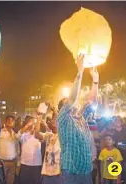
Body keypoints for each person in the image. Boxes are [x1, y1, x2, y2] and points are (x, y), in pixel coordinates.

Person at [57, 54, 99, 184]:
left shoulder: (81, 119)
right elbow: (72, 98)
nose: (74, 103)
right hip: (71, 171)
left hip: (85, 170)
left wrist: (95, 81)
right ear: (62, 108)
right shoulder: (63, 119)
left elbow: (92, 102)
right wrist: (80, 71)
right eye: (68, 102)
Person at [35, 106, 62, 184]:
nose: (52, 121)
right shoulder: (48, 135)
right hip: (46, 173)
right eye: (52, 119)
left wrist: (55, 111)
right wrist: (39, 119)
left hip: (58, 173)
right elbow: (37, 134)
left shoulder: (63, 136)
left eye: (54, 119)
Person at [18, 116, 42, 184]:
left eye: (33, 122)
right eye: (31, 122)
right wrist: (27, 125)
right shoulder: (24, 135)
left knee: (36, 182)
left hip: (36, 164)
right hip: (25, 164)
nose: (32, 124)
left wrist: (38, 122)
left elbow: (39, 135)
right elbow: (18, 135)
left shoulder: (38, 135)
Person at [0, 115, 20, 184]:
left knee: (10, 181)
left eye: (12, 120)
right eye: (8, 120)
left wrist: (18, 162)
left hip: (13, 162)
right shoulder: (0, 132)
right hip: (2, 162)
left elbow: (17, 148)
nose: (10, 122)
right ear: (5, 121)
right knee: (0, 180)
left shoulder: (14, 134)